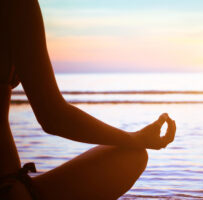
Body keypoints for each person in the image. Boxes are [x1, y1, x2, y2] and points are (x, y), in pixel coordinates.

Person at [0, 0, 176, 199]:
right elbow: (53, 117)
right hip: (6, 187)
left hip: (12, 184)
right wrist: (135, 138)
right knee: (132, 156)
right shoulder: (16, 5)